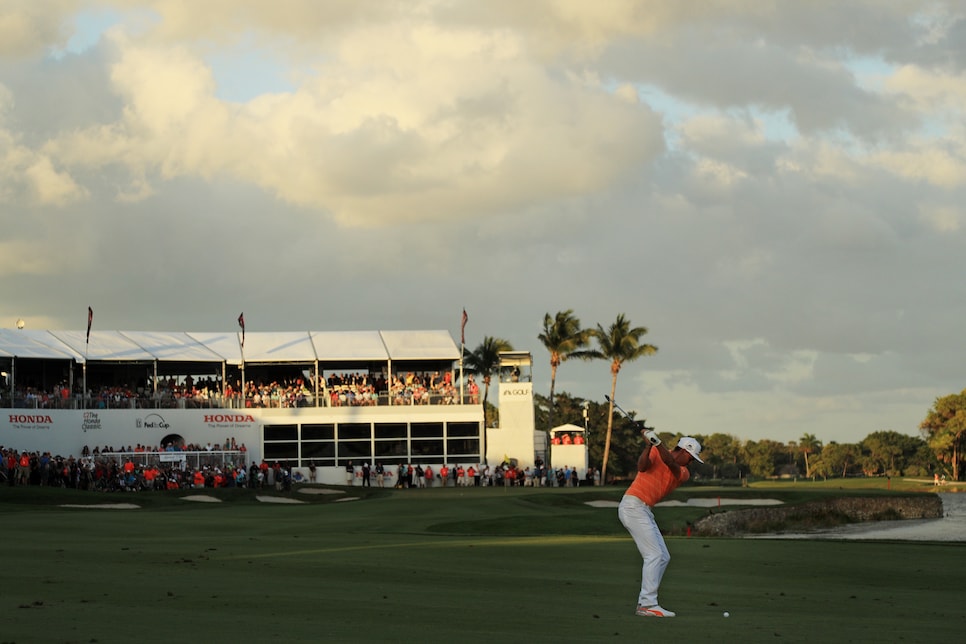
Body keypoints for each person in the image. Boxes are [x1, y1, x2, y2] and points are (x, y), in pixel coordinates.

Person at [618, 432, 703, 618]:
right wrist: (649, 445)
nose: (690, 463)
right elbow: (642, 466)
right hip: (632, 506)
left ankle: (646, 602)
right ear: (682, 451)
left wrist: (657, 443)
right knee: (654, 554)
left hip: (644, 510)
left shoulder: (683, 473)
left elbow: (670, 463)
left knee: (663, 556)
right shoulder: (656, 453)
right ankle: (648, 604)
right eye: (690, 458)